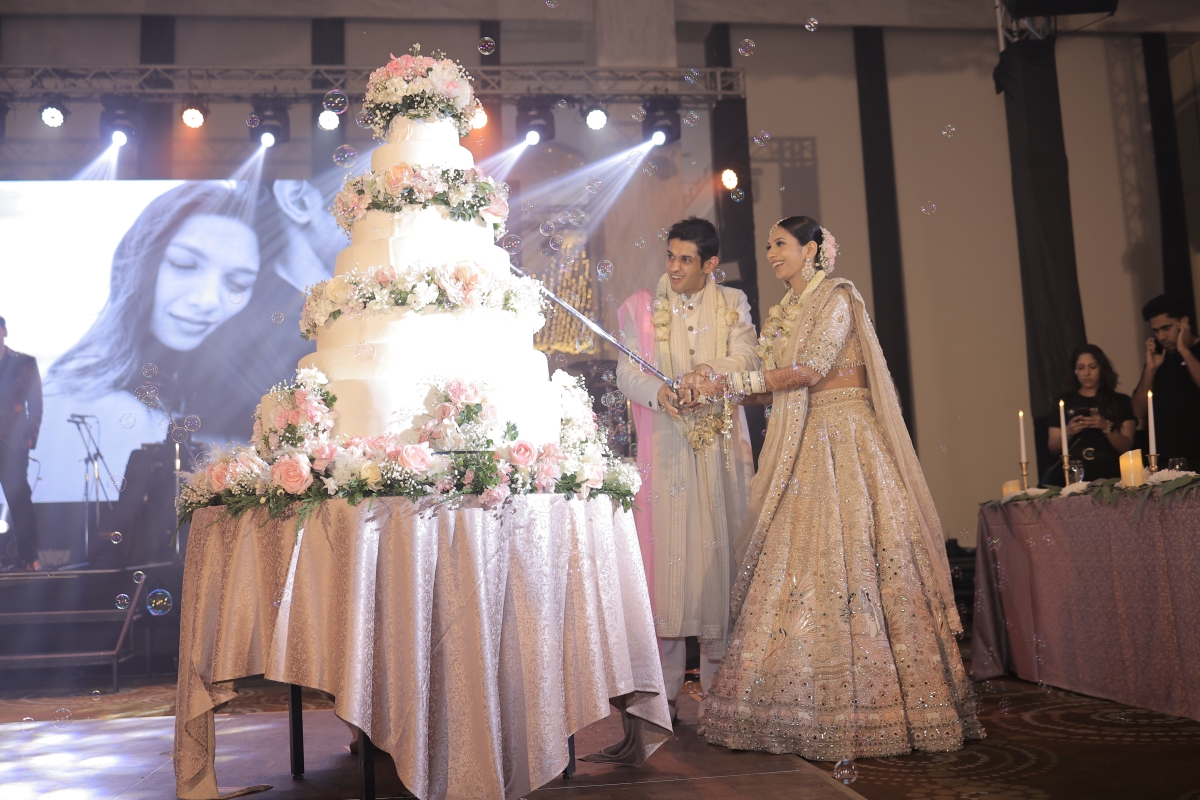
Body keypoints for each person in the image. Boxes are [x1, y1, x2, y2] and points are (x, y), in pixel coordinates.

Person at [692, 216, 982, 760]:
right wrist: (716, 386)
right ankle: (796, 703)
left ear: (812, 249)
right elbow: (774, 386)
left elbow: (810, 369)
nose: (772, 254)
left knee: (859, 560)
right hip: (802, 441)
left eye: (781, 245)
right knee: (800, 566)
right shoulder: (790, 311)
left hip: (846, 438)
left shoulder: (837, 299)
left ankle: (880, 707)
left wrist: (733, 382)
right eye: (770, 246)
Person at [614, 216, 759, 722]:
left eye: (685, 259)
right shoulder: (640, 308)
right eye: (670, 256)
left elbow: (746, 355)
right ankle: (661, 697)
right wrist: (661, 392)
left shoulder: (734, 304)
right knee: (668, 566)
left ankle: (724, 697)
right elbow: (627, 370)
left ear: (710, 265)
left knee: (720, 562)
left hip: (721, 454)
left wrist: (707, 374)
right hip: (667, 450)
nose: (673, 268)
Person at [38, 183, 266, 502]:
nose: (207, 301)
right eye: (184, 265)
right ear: (142, 261)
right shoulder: (77, 395)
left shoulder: (240, 400)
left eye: (238, 283)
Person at [1045, 345, 1136, 483]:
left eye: (1092, 367)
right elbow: (1053, 447)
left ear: (1101, 368)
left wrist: (1105, 426)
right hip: (1073, 472)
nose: (1086, 373)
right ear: (1074, 371)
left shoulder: (1120, 401)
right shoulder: (1063, 402)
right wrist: (1069, 432)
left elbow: (1126, 446)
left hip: (1109, 471)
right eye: (1081, 368)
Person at [1132, 295, 1200, 470]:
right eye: (1155, 331)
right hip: (1165, 462)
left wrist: (1184, 351)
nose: (1161, 336)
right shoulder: (1158, 359)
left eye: (1166, 328)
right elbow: (1138, 411)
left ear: (1183, 322)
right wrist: (1150, 369)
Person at [0, 316, 43, 571]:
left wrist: (29, 439)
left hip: (13, 443)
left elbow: (35, 404)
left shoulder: (24, 362)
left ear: (4, 331)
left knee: (19, 500)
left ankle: (29, 557)